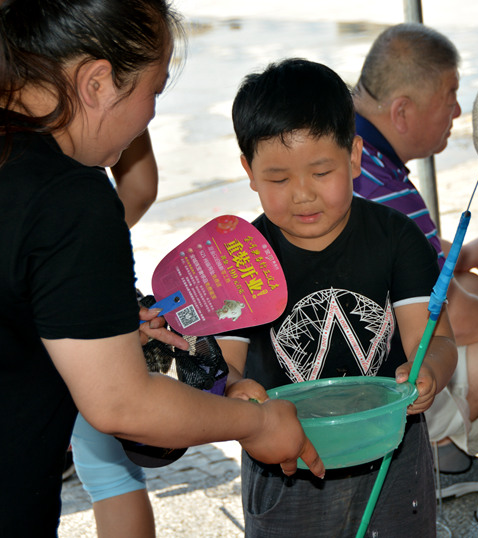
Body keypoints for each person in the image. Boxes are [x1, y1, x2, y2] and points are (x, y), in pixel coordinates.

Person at [0, 2, 323, 535]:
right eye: (154, 88)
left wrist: (110, 319)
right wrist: (257, 423)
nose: (151, 113)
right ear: (97, 82)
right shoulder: (68, 198)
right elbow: (122, 403)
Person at [215, 58, 457, 537]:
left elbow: (437, 339)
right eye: (279, 179)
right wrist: (232, 389)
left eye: (321, 171)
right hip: (286, 460)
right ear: (249, 171)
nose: (303, 195)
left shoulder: (397, 238)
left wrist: (429, 370)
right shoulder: (240, 259)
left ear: (354, 158)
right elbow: (227, 363)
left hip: (392, 451)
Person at [352, 23, 478, 536]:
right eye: (449, 95)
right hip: (382, 394)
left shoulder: (351, 146)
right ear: (401, 111)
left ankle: (447, 463)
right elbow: (457, 322)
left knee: (470, 283)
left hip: (356, 357)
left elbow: (417, 261)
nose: (458, 112)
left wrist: (461, 255)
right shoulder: (384, 190)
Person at [68, 130, 162, 538]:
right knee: (109, 476)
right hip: (91, 290)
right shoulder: (102, 75)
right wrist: (85, 243)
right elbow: (140, 187)